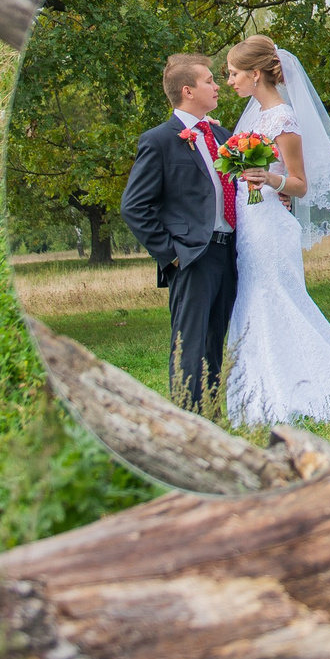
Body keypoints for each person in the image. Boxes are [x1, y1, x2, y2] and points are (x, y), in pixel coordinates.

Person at [218, 35, 330, 429]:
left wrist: (270, 179)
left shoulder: (283, 118)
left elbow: (299, 183)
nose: (229, 81)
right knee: (252, 297)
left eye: (233, 74)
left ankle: (323, 387)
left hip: (270, 226)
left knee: (277, 296)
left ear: (255, 74)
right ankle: (259, 393)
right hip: (249, 222)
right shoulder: (255, 117)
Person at [117, 53, 239, 412]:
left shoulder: (220, 134)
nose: (217, 86)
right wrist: (172, 255)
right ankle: (187, 417)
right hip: (191, 256)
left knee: (216, 339)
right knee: (190, 344)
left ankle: (212, 416)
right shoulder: (159, 140)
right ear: (188, 90)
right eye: (208, 81)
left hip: (227, 251)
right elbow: (134, 206)